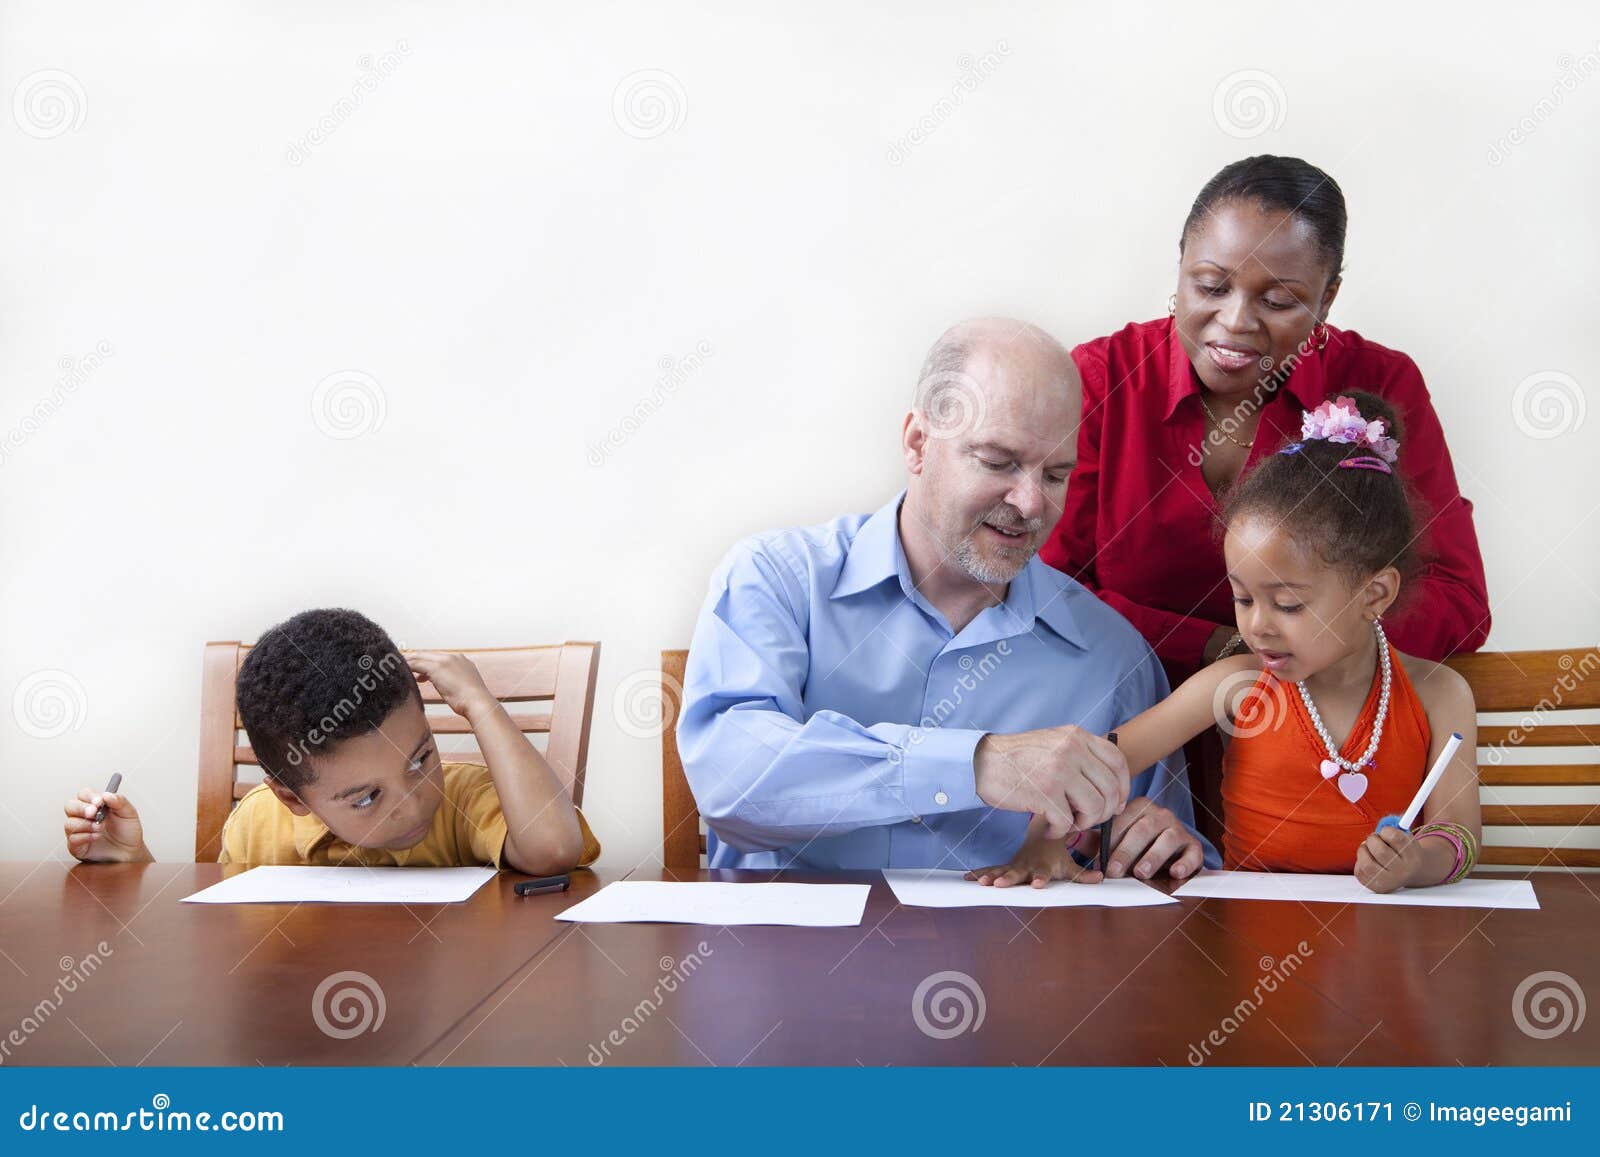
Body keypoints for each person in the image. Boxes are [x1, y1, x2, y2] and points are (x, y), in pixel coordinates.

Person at [677, 318, 1217, 878]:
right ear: (918, 444)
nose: (1031, 504)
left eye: (1056, 475)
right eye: (998, 462)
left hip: (1015, 938)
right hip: (785, 934)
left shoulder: (1115, 657)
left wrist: (1159, 848)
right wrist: (978, 765)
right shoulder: (776, 580)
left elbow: (1160, 866)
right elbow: (731, 783)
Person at [971, 393, 1481, 893]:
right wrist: (1043, 841)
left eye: (1287, 605)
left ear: (1376, 594)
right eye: (1242, 598)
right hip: (1247, 929)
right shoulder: (1235, 684)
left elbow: (1459, 834)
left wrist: (1417, 862)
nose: (1257, 626)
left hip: (1384, 933)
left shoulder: (1439, 695)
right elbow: (1099, 763)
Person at [1040, 155, 1489, 685]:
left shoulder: (1380, 381)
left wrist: (1307, 658)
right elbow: (1046, 588)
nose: (1235, 322)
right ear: (1181, 266)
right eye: (1211, 287)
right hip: (1127, 697)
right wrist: (1221, 650)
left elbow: (1456, 596)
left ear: (1327, 299)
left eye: (1278, 301)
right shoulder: (1102, 379)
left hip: (1324, 712)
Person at [63, 608, 599, 873]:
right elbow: (217, 941)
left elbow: (553, 849)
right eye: (366, 798)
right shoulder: (258, 823)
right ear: (291, 797)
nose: (413, 803)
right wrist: (131, 867)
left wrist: (480, 704)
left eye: (420, 759)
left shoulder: (466, 801)